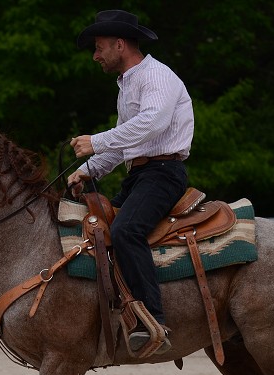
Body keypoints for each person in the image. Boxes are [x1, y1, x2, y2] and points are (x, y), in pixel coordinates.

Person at [68, 9, 194, 354]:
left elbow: (152, 124)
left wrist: (97, 141)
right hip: (141, 174)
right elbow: (126, 142)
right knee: (98, 231)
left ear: (119, 44)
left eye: (99, 47)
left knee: (126, 231)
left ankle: (152, 319)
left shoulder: (156, 76)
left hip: (162, 174)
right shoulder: (129, 84)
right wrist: (88, 170)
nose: (95, 56)